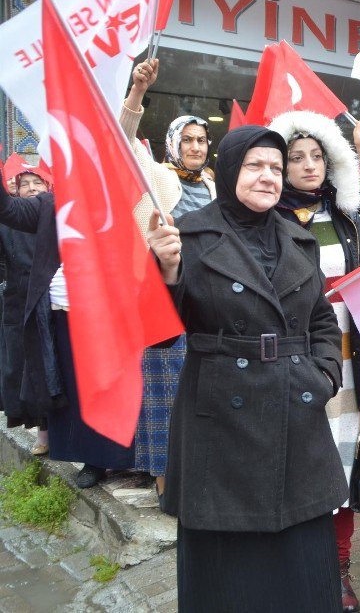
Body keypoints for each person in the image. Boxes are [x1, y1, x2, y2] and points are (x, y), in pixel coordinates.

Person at [147, 125, 346, 611]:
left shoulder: (300, 239)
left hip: (296, 409)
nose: (268, 177)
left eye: (276, 169)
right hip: (220, 420)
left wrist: (323, 375)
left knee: (302, 565)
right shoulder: (187, 235)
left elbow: (321, 318)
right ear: (233, 168)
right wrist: (166, 273)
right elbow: (159, 332)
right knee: (229, 577)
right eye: (256, 166)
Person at [269, 109, 360, 613]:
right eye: (296, 158)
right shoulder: (265, 223)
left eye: (317, 157)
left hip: (347, 365)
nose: (309, 166)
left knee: (340, 466)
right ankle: (291, 571)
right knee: (291, 465)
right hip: (291, 362)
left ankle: (339, 570)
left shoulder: (349, 222)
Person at [0, 165, 135, 490]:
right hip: (61, 313)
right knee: (73, 390)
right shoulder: (49, 206)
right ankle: (93, 460)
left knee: (111, 389)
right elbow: (7, 209)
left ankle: (124, 458)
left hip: (109, 314)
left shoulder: (118, 202)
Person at [122, 59, 219, 500]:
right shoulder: (157, 177)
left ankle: (199, 477)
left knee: (203, 395)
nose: (196, 146)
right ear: (173, 143)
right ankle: (166, 488)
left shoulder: (217, 186)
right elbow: (121, 144)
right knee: (166, 395)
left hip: (208, 302)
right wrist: (138, 93)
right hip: (164, 301)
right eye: (188, 139)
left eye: (201, 139)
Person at [0, 170, 50, 450]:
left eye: (37, 182)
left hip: (49, 303)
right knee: (23, 370)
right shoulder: (9, 223)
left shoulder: (54, 218)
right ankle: (41, 430)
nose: (31, 189)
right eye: (25, 184)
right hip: (18, 302)